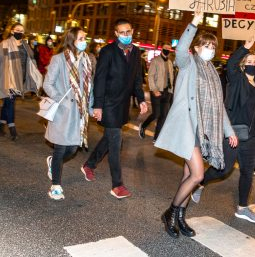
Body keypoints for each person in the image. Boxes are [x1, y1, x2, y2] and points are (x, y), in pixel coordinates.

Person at [155, 9, 237, 238]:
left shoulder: (213, 72)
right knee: (198, 175)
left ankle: (180, 216)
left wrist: (229, 131)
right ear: (197, 47)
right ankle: (170, 213)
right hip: (188, 127)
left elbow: (218, 105)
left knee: (187, 176)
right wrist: (194, 22)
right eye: (207, 46)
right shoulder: (188, 62)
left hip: (205, 132)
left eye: (213, 47)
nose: (210, 50)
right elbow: (180, 49)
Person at [191, 38, 255, 224]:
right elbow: (231, 63)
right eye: (249, 62)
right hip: (233, 134)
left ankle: (242, 208)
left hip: (251, 138)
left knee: (248, 172)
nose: (252, 64)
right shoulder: (237, 79)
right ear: (242, 65)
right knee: (223, 170)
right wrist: (245, 48)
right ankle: (200, 183)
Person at [81, 18, 148, 199]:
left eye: (129, 32)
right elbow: (100, 79)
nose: (126, 35)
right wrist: (98, 105)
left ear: (132, 31)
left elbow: (136, 78)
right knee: (116, 142)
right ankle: (117, 185)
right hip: (109, 103)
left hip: (123, 103)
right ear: (116, 34)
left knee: (110, 138)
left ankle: (89, 164)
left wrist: (141, 99)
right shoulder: (108, 51)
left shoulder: (136, 52)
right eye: (122, 32)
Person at [43, 27, 93, 200]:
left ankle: (52, 163)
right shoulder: (58, 59)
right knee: (60, 148)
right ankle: (56, 185)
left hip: (79, 112)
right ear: (72, 40)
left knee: (72, 149)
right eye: (81, 38)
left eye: (85, 38)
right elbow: (47, 84)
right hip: (63, 112)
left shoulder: (87, 60)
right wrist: (60, 99)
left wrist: (91, 107)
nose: (85, 40)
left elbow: (89, 88)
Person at [0, 23, 41, 140]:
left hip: (21, 79)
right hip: (9, 78)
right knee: (11, 102)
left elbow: (32, 60)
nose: (20, 32)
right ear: (12, 31)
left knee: (7, 103)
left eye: (22, 30)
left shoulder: (25, 45)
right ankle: (13, 129)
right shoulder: (5, 44)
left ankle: (1, 125)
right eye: (18, 30)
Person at [139, 43, 174, 142]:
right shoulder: (155, 61)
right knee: (156, 114)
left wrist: (171, 91)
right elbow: (150, 76)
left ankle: (156, 137)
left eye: (169, 48)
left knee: (163, 116)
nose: (167, 50)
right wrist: (154, 90)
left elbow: (171, 78)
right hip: (157, 91)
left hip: (167, 92)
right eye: (165, 48)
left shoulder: (170, 63)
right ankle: (143, 126)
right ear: (162, 49)